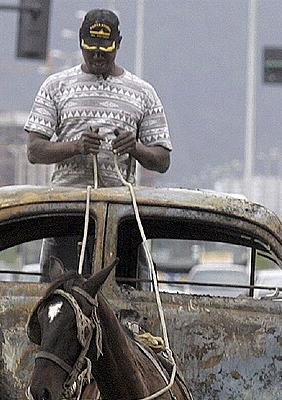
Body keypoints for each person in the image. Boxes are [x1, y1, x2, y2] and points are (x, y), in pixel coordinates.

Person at [25, 8, 172, 270]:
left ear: (118, 45)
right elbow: (35, 151)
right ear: (80, 43)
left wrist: (135, 147)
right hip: (67, 213)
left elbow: (162, 160)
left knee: (129, 297)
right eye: (90, 48)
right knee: (60, 294)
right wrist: (76, 147)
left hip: (121, 217)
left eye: (105, 50)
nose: (97, 56)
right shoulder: (55, 86)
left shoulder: (143, 93)